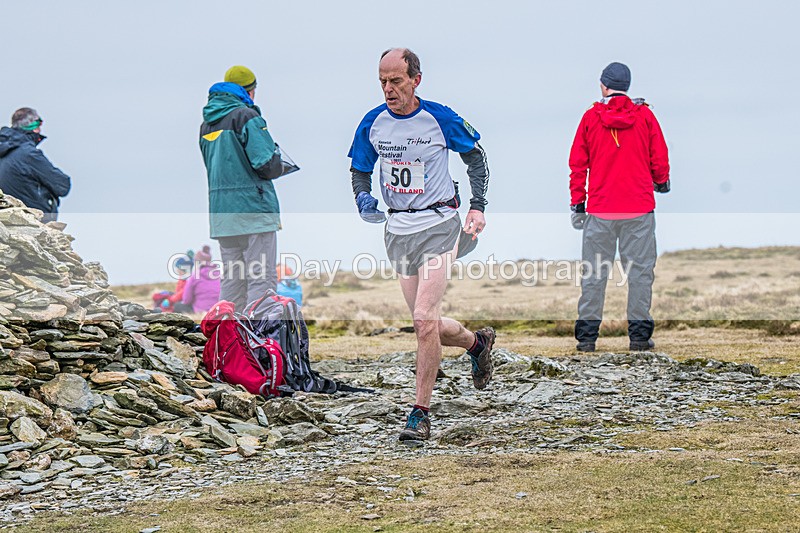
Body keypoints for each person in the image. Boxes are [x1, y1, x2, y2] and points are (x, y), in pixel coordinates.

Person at [348, 48, 495, 442]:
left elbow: (476, 159)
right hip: (398, 230)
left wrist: (477, 207)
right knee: (424, 323)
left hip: (440, 223)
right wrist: (363, 198)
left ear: (416, 79)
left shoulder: (439, 118)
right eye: (382, 81)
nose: (388, 89)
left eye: (396, 80)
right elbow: (359, 169)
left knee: (424, 318)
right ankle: (476, 343)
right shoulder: (372, 123)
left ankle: (420, 413)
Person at [568, 62, 670, 353]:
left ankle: (586, 339)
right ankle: (639, 337)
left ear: (603, 86)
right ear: (627, 86)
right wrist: (661, 182)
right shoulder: (646, 117)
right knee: (640, 273)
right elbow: (659, 157)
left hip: (600, 210)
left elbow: (577, 165)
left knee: (594, 273)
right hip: (638, 209)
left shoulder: (590, 118)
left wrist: (578, 203)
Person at [199, 65, 284, 311]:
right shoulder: (247, 116)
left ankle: (230, 343)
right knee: (261, 280)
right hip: (254, 211)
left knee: (232, 283)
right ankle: (258, 344)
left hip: (222, 215)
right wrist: (276, 156)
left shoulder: (207, 124)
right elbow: (266, 164)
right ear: (249, 90)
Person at [0, 108, 71, 222]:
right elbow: (63, 185)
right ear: (34, 126)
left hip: (5, 219)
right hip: (32, 220)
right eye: (39, 122)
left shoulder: (4, 151)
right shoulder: (29, 154)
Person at [181, 245, 221, 313]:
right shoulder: (220, 274)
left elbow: (186, 300)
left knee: (178, 306)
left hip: (200, 311)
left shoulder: (195, 276)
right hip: (218, 311)